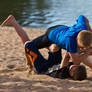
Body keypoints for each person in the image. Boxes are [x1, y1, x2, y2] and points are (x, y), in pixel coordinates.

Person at [0, 15, 87, 80]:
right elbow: (71, 58)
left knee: (28, 44)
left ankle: (14, 23)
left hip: (43, 68)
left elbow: (67, 56)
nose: (74, 65)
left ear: (71, 73)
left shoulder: (63, 74)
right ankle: (48, 46)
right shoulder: (74, 69)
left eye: (74, 67)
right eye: (76, 66)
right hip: (55, 63)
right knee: (56, 46)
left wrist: (82, 51)